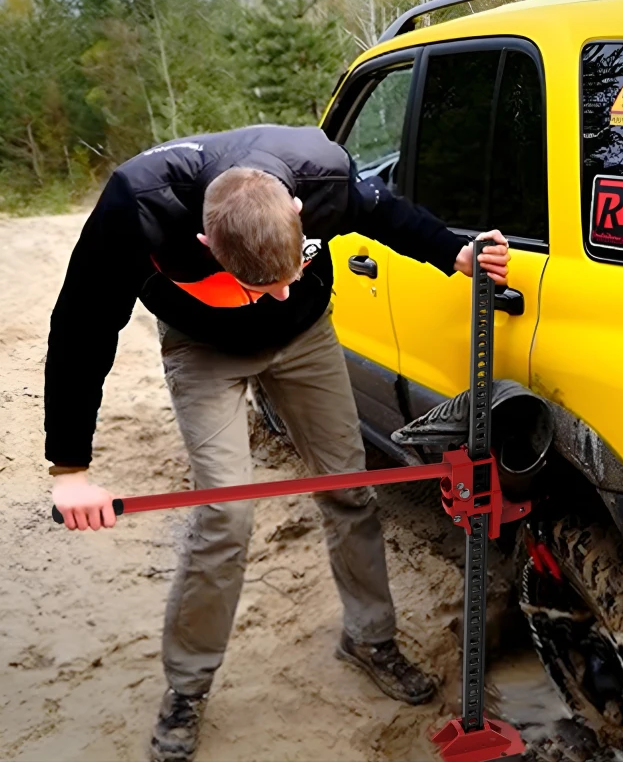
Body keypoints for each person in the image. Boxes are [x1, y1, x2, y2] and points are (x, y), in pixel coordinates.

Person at [44, 125, 510, 762]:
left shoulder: (321, 175)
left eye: (289, 274)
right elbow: (80, 327)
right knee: (226, 514)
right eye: (261, 286)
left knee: (350, 486)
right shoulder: (138, 205)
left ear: (299, 212)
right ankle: (188, 684)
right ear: (207, 243)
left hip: (305, 340)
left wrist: (452, 252)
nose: (277, 292)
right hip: (203, 348)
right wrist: (69, 466)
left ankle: (370, 640)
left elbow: (386, 212)